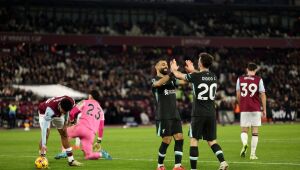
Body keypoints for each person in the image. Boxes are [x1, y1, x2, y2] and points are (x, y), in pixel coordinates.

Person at [170, 53, 229, 170]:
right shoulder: (213, 76)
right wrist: (193, 70)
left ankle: (193, 169)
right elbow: (201, 76)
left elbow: (179, 75)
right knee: (212, 140)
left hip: (198, 113)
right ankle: (223, 162)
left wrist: (173, 69)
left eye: (199, 60)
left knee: (194, 139)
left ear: (201, 63)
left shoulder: (196, 77)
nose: (197, 61)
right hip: (211, 113)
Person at [55, 90, 112, 160]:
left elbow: (72, 113)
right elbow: (101, 127)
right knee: (88, 156)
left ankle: (65, 152)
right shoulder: (101, 110)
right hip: (91, 134)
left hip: (81, 128)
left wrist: (72, 122)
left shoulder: (84, 102)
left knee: (64, 133)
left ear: (90, 96)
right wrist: (99, 140)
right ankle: (101, 154)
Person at [152, 59, 185, 170]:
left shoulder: (171, 79)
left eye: (166, 64)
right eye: (162, 64)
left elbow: (184, 82)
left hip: (175, 114)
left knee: (180, 138)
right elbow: (159, 83)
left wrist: (191, 73)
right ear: (156, 67)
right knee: (167, 140)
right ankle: (160, 165)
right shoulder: (155, 79)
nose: (165, 65)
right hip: (163, 115)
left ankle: (177, 166)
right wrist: (172, 72)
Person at [38, 95, 82, 166]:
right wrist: (43, 144)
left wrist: (65, 123)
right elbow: (44, 129)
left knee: (64, 133)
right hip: (44, 112)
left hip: (57, 113)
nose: (64, 113)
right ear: (60, 106)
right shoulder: (50, 111)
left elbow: (67, 111)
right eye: (63, 111)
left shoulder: (71, 101)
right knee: (46, 133)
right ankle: (42, 159)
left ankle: (71, 160)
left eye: (65, 112)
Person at [236, 63, 266, 160]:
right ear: (256, 70)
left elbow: (238, 93)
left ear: (247, 69)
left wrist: (240, 104)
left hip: (244, 108)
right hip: (255, 108)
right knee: (255, 132)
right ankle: (252, 154)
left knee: (244, 130)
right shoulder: (259, 80)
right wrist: (264, 109)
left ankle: (245, 144)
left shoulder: (240, 79)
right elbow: (262, 94)